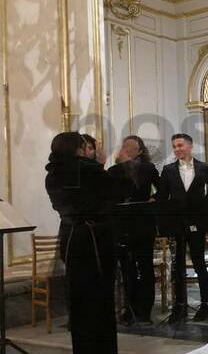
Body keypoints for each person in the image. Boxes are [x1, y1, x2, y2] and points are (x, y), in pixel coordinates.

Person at [45, 132, 131, 353]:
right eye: (84, 147)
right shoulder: (88, 171)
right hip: (94, 241)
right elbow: (122, 190)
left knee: (79, 299)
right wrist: (116, 164)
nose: (87, 150)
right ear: (77, 149)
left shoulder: (52, 174)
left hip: (71, 237)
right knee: (99, 298)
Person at [155, 133, 208, 323]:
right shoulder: (168, 170)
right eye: (174, 146)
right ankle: (179, 305)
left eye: (180, 145)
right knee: (177, 266)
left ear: (190, 146)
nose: (177, 149)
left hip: (198, 223)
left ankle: (205, 304)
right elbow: (162, 198)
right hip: (177, 224)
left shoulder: (205, 168)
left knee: (199, 263)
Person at [108, 135, 160, 325]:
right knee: (127, 269)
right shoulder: (113, 171)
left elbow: (162, 190)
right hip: (121, 226)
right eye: (125, 147)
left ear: (139, 151)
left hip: (143, 225)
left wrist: (153, 201)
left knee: (145, 268)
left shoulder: (148, 168)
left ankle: (145, 310)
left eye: (132, 147)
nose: (127, 150)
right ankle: (130, 308)